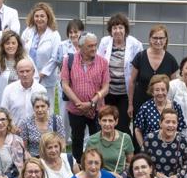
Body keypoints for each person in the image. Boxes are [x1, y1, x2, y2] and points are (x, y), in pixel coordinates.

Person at [62, 33, 109, 161]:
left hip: (96, 109)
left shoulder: (103, 62)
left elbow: (105, 87)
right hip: (75, 109)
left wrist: (91, 103)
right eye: (90, 46)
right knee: (77, 138)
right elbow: (65, 85)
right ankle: (77, 164)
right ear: (81, 47)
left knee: (97, 139)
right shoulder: (69, 61)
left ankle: (95, 163)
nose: (94, 48)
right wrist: (79, 104)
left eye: (95, 45)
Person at [98, 13, 142, 134]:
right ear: (110, 30)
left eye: (121, 27)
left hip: (125, 94)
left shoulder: (135, 44)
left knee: (122, 126)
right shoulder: (104, 42)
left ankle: (125, 151)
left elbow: (139, 68)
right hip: (108, 92)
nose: (117, 31)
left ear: (126, 29)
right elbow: (99, 64)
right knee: (106, 124)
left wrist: (131, 102)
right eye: (114, 28)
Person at [129, 25, 178, 124]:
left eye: (161, 38)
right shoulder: (140, 57)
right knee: (139, 131)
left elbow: (173, 85)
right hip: (140, 103)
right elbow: (132, 82)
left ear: (166, 40)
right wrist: (130, 104)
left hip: (162, 106)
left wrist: (170, 105)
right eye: (155, 38)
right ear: (150, 39)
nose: (158, 41)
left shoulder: (171, 60)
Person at [143, 110, 187, 178]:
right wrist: (154, 173)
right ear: (160, 123)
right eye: (167, 122)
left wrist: (178, 176)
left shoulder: (183, 140)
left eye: (174, 122)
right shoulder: (150, 138)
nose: (171, 125)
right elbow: (142, 161)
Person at [133, 73, 184, 150]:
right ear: (152, 92)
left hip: (172, 149)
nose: (160, 93)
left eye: (163, 89)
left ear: (167, 90)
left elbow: (180, 129)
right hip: (151, 150)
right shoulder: (145, 107)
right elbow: (137, 130)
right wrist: (143, 147)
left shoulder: (176, 107)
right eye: (157, 90)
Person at [55, 18, 85, 145]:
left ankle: (84, 140)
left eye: (76, 32)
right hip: (66, 84)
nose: (73, 35)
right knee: (64, 112)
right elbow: (57, 62)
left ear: (82, 32)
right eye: (70, 32)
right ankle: (63, 139)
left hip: (83, 85)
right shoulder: (62, 46)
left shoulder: (86, 44)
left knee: (83, 111)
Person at [21, 2, 61, 94]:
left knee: (45, 106)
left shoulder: (54, 35)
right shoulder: (28, 31)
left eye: (42, 16)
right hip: (27, 76)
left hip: (46, 79)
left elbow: (55, 58)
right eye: (36, 16)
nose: (39, 19)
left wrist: (40, 75)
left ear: (48, 17)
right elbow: (21, 51)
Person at [86, 106, 134, 178]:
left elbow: (131, 162)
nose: (107, 124)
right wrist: (109, 174)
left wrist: (124, 176)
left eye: (110, 120)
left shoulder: (125, 138)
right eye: (104, 120)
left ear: (116, 121)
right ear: (99, 121)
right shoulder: (92, 140)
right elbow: (87, 165)